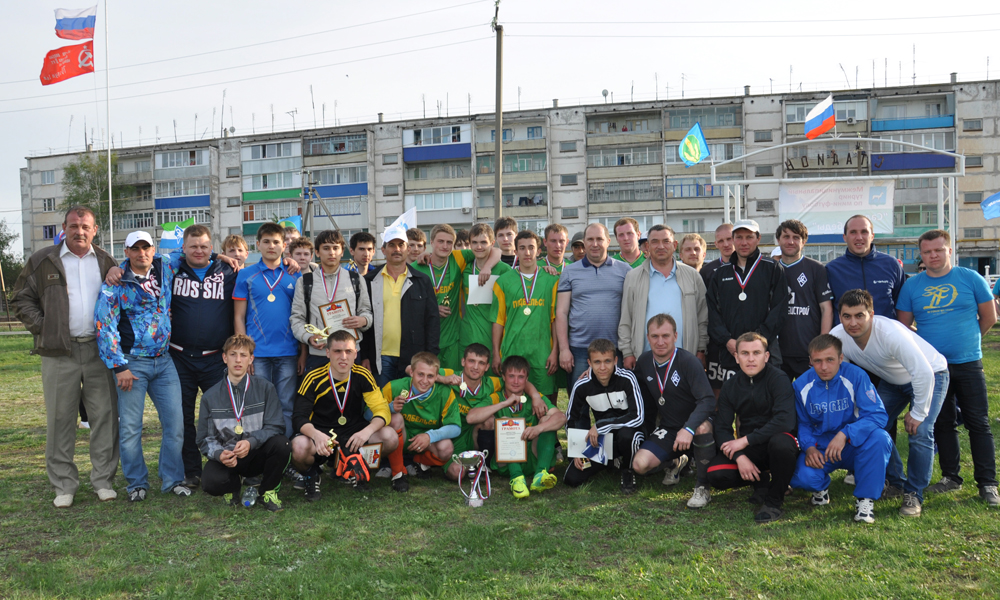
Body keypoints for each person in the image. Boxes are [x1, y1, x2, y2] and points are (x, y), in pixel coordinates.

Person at [11, 206, 120, 508]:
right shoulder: (44, 260)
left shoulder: (105, 261)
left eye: (86, 226)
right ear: (64, 227)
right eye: (74, 226)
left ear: (95, 230)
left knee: (105, 418)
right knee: (60, 419)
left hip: (99, 352)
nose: (80, 231)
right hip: (60, 353)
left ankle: (103, 480)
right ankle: (63, 484)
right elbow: (21, 297)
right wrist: (44, 327)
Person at [896, 230, 998, 506]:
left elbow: (989, 317)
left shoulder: (970, 278)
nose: (933, 256)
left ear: (949, 251)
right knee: (942, 423)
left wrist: (968, 340)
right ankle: (951, 477)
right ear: (922, 255)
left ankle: (987, 483)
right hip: (933, 369)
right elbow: (903, 328)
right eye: (927, 252)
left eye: (938, 250)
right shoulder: (912, 286)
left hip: (968, 363)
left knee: (978, 423)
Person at [831, 289, 949, 516]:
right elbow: (827, 364)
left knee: (921, 430)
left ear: (871, 314)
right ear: (840, 316)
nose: (853, 323)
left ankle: (914, 494)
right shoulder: (838, 336)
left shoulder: (890, 333)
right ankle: (896, 483)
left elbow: (923, 372)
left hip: (931, 374)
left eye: (859, 315)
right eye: (847, 316)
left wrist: (918, 412)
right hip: (893, 381)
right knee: (871, 426)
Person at [96, 230, 189, 502]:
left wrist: (226, 258)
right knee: (130, 428)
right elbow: (105, 326)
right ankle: (136, 483)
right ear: (126, 252)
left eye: (146, 247)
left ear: (153, 249)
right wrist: (119, 366)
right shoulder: (115, 283)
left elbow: (196, 250)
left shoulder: (166, 266)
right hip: (131, 364)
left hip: (164, 361)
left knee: (175, 424)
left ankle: (172, 480)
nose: (141, 253)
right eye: (135, 249)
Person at [789, 334, 893, 523]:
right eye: (818, 361)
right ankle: (820, 488)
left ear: (841, 358)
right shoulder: (801, 384)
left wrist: (846, 433)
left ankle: (865, 500)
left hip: (853, 444)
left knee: (880, 438)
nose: (824, 367)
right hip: (821, 446)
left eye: (830, 360)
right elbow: (802, 423)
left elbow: (877, 415)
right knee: (804, 478)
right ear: (810, 361)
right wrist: (809, 447)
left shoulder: (856, 376)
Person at [168, 224, 239, 490]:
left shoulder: (228, 271)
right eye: (193, 246)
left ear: (212, 248)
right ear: (183, 248)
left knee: (221, 416)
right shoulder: (171, 271)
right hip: (179, 358)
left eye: (204, 246)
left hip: (214, 358)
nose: (199, 250)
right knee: (182, 417)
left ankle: (223, 466)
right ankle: (191, 470)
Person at [292, 330, 399, 498]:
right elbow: (299, 417)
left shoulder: (362, 374)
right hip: (322, 436)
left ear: (355, 353)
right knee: (298, 446)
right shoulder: (313, 377)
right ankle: (311, 475)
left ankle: (352, 466)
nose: (343, 356)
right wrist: (316, 435)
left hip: (353, 435)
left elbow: (382, 410)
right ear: (327, 353)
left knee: (390, 437)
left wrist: (367, 432)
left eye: (348, 351)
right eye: (337, 351)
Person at [707, 333, 799, 524]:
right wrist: (739, 457)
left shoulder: (779, 379)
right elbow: (722, 428)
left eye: (756, 353)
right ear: (736, 357)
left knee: (782, 443)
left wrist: (744, 441)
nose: (750, 359)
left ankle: (774, 501)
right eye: (745, 353)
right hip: (751, 449)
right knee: (716, 474)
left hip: (778, 444)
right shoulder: (730, 386)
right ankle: (761, 481)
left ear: (766, 356)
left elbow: (785, 421)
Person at [196, 334, 290, 512]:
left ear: (251, 359)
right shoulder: (210, 396)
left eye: (243, 355)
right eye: (233, 354)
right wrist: (219, 454)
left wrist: (251, 442)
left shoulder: (265, 388)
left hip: (256, 453)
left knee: (282, 444)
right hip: (228, 457)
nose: (238, 360)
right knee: (210, 482)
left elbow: (276, 426)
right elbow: (204, 438)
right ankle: (232, 488)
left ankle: (268, 491)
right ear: (224, 358)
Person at [631, 314, 716, 508]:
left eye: (665, 336)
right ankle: (675, 463)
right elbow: (632, 388)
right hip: (670, 427)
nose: (660, 342)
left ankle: (702, 488)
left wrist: (689, 428)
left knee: (702, 428)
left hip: (698, 424)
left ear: (675, 336)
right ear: (647, 337)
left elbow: (708, 400)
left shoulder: (688, 362)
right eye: (655, 336)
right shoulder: (644, 362)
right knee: (640, 465)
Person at [233, 222, 301, 440]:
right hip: (257, 355)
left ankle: (286, 456)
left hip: (288, 353)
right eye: (266, 242)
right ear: (258, 245)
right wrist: (245, 355)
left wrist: (303, 353)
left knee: (286, 406)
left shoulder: (294, 275)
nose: (271, 246)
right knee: (256, 407)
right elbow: (238, 317)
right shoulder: (246, 275)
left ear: (284, 246)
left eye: (276, 242)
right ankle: (258, 459)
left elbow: (301, 318)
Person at [467, 355, 566, 498]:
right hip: (506, 463)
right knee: (506, 422)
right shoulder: (496, 397)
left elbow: (561, 418)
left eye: (520, 377)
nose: (515, 381)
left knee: (547, 420)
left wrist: (538, 428)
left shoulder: (535, 398)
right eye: (511, 376)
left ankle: (540, 474)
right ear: (503, 377)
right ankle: (516, 477)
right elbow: (471, 417)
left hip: (532, 456)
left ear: (526, 380)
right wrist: (505, 404)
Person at [706, 219, 788, 392]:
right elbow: (712, 312)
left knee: (765, 403)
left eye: (749, 237)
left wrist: (757, 342)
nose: (744, 242)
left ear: (758, 239)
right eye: (739, 237)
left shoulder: (772, 268)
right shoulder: (720, 273)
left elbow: (779, 310)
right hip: (731, 352)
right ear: (734, 239)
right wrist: (727, 341)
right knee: (736, 405)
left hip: (764, 351)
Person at [619, 224, 707, 371]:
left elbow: (702, 318)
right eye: (655, 242)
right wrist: (627, 352)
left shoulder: (692, 276)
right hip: (646, 359)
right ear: (647, 246)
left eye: (666, 241)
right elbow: (626, 318)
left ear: (674, 245)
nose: (660, 246)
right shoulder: (633, 277)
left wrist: (701, 350)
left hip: (685, 358)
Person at [564, 339, 646, 494]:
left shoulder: (627, 378)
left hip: (630, 434)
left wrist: (600, 425)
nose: (602, 367)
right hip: (603, 440)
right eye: (597, 362)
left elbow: (638, 417)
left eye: (607, 361)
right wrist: (576, 450)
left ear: (615, 360)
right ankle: (610, 461)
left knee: (628, 436)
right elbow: (571, 419)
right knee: (572, 479)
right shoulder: (582, 385)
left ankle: (627, 471)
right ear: (589, 362)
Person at [362, 228, 440, 387]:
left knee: (409, 406)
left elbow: (432, 321)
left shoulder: (422, 281)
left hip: (413, 358)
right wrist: (364, 356)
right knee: (382, 405)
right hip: (379, 358)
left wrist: (429, 357)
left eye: (401, 245)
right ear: (383, 250)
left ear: (408, 249)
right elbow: (363, 319)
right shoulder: (369, 281)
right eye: (391, 245)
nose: (397, 249)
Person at [556, 223, 631, 384]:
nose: (595, 244)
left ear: (608, 241)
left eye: (599, 239)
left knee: (617, 403)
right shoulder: (569, 272)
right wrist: (564, 349)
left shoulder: (625, 271)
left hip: (616, 349)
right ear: (584, 242)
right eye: (590, 239)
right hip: (580, 349)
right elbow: (561, 312)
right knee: (579, 404)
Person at [290, 229, 373, 375]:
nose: (331, 252)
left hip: (349, 353)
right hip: (319, 353)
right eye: (326, 248)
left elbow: (367, 312)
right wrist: (308, 337)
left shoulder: (355, 279)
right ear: (317, 252)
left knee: (350, 397)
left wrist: (363, 320)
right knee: (319, 397)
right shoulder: (305, 282)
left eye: (336, 248)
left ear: (342, 252)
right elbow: (297, 319)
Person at [411, 224, 490, 371]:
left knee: (453, 380)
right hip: (426, 340)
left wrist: (487, 267)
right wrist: (433, 309)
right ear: (432, 242)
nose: (445, 246)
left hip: (453, 339)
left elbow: (494, 251)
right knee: (429, 382)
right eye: (440, 241)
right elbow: (408, 306)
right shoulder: (416, 268)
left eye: (449, 242)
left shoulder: (458, 257)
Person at [492, 230, 561, 398]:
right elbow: (498, 321)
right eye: (522, 248)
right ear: (515, 252)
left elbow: (556, 320)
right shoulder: (503, 281)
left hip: (543, 356)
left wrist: (555, 352)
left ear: (539, 251)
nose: (527, 252)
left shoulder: (552, 280)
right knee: (514, 406)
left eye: (531, 247)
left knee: (545, 405)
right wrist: (496, 353)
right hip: (512, 352)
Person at [382, 352, 460, 485]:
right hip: (400, 436)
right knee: (395, 418)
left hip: (425, 442)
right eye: (420, 374)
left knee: (446, 447)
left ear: (437, 377)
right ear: (411, 372)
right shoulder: (394, 386)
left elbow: (455, 428)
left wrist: (430, 436)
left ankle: (420, 460)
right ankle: (398, 474)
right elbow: (367, 415)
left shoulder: (445, 392)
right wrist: (389, 408)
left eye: (430, 376)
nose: (424, 381)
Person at [774, 220, 833, 380]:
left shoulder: (816, 269)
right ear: (778, 240)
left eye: (796, 237)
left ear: (804, 241)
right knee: (780, 401)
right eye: (786, 236)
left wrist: (822, 346)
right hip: (777, 353)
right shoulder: (770, 269)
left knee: (810, 401)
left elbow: (826, 309)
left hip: (808, 351)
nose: (791, 241)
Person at [825, 215, 906, 325]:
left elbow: (902, 306)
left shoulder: (891, 265)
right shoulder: (832, 269)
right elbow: (826, 310)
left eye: (864, 232)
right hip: (846, 339)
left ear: (872, 236)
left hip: (885, 339)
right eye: (853, 232)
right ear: (845, 237)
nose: (859, 237)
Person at [444, 343, 503, 481]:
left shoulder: (492, 383)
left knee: (489, 419)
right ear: (463, 361)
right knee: (455, 473)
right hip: (454, 438)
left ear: (487, 367)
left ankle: (483, 466)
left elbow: (517, 381)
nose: (476, 367)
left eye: (481, 363)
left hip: (475, 434)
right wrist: (442, 379)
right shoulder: (450, 376)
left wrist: (536, 397)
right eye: (471, 361)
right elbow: (413, 368)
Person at [458, 224, 512, 368]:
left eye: (483, 242)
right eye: (474, 242)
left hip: (494, 338)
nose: (479, 247)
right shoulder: (465, 267)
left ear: (492, 244)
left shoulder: (505, 270)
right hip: (468, 336)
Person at [700, 223, 734, 288]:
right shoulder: (706, 271)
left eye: (729, 239)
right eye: (721, 241)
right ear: (716, 244)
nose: (726, 244)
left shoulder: (748, 267)